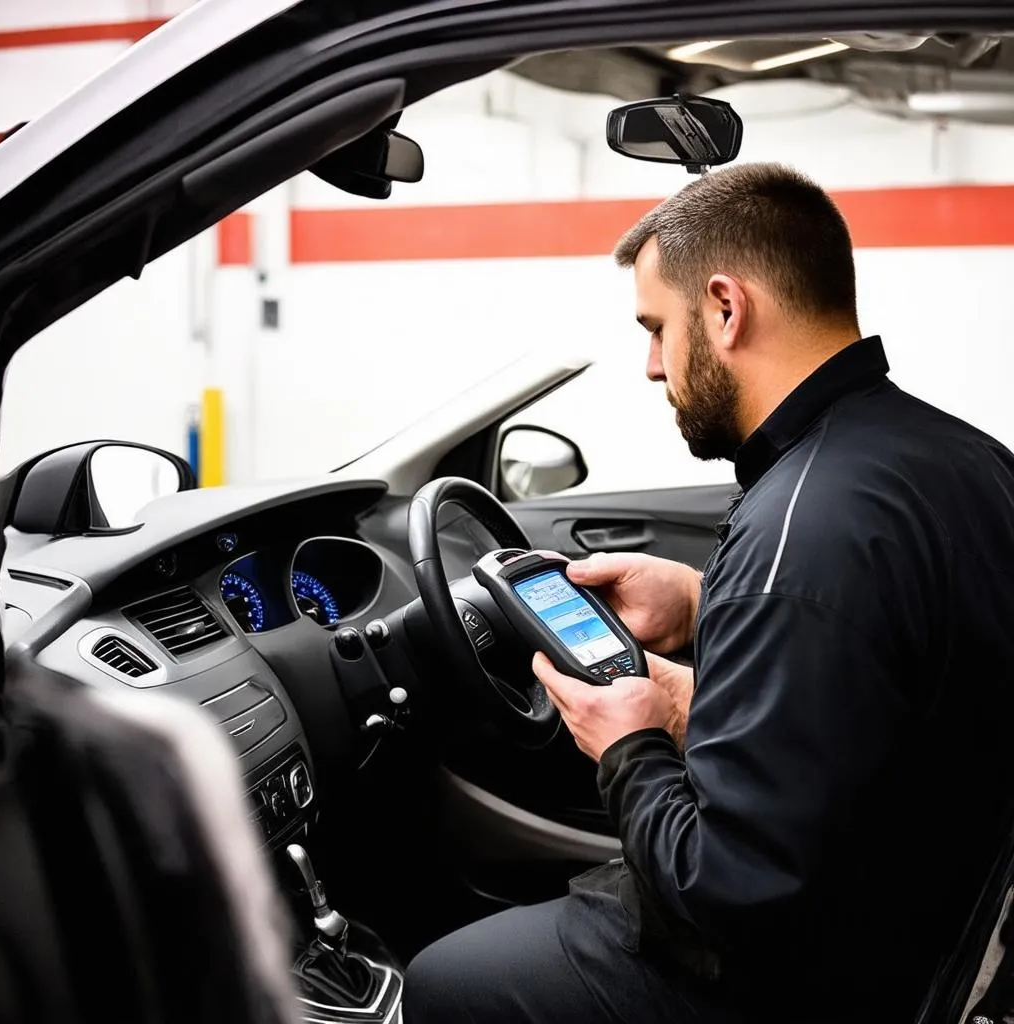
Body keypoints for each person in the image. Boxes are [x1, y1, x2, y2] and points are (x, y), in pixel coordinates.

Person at [402, 162, 1014, 1024]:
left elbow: (728, 889)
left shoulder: (800, 530)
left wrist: (630, 745)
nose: (653, 366)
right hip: (930, 912)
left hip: (824, 974)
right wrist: (703, 606)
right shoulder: (963, 460)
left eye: (657, 328)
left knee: (445, 979)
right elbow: (880, 695)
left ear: (726, 308)